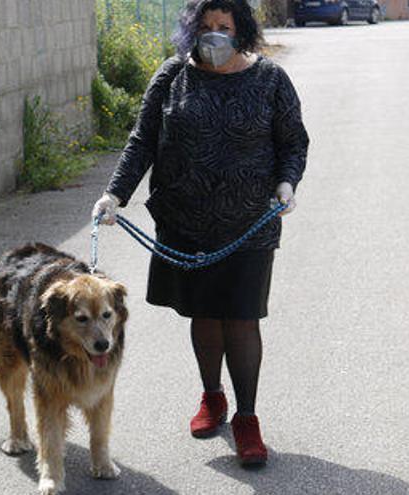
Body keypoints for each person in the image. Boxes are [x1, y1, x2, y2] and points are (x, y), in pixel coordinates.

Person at [91, 0, 309, 466]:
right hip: (186, 223)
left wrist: (287, 183)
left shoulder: (270, 80)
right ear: (193, 29)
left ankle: (247, 420)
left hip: (249, 224)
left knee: (243, 318)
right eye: (206, 27)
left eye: (224, 27)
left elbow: (293, 141)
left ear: (241, 30)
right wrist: (114, 195)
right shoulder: (172, 76)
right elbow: (142, 140)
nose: (215, 35)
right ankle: (213, 398)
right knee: (206, 315)